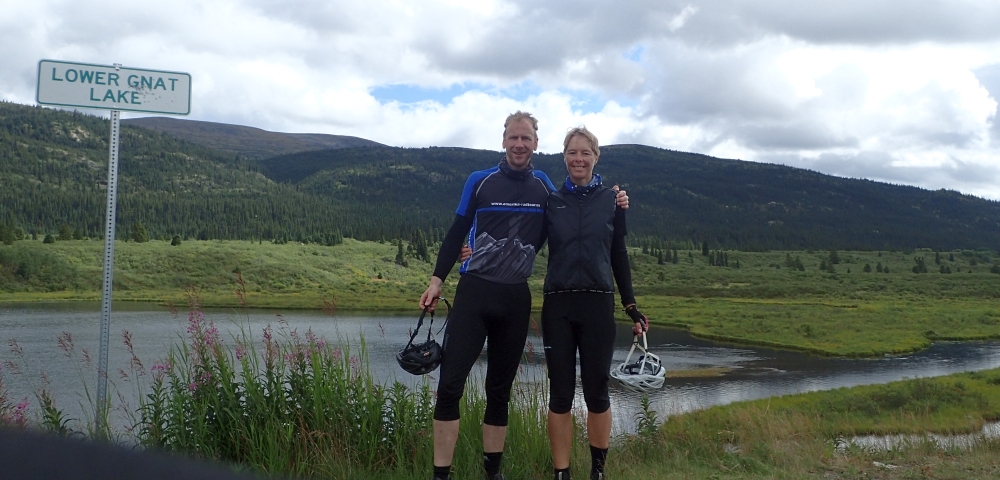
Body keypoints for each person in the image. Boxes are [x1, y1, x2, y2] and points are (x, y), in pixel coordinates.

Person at [418, 112, 627, 480]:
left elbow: (562, 226)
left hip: (515, 299)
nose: (519, 144)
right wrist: (437, 280)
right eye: (513, 138)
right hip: (474, 294)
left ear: (535, 143)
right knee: (450, 384)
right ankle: (440, 474)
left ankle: (492, 473)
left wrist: (616, 198)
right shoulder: (479, 181)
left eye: (526, 138)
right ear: (503, 141)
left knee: (499, 390)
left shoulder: (544, 187)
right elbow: (456, 232)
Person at [541, 127, 648, 480]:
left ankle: (598, 472)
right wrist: (474, 250)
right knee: (559, 394)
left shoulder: (612, 201)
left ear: (595, 157)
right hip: (558, 305)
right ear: (564, 157)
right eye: (572, 152)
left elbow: (618, 254)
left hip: (599, 304)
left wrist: (631, 306)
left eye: (585, 152)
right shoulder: (552, 201)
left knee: (597, 392)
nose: (578, 159)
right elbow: (522, 238)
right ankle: (562, 473)